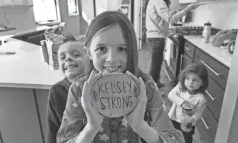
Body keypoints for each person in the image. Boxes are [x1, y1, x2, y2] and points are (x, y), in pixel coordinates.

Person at [56, 11, 185, 143]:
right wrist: (91, 128)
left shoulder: (146, 86)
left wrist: (140, 126)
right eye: (101, 48)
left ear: (132, 51)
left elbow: (176, 139)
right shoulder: (79, 89)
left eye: (122, 49)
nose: (112, 59)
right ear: (89, 52)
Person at [145, 0, 201, 88]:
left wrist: (169, 34)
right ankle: (150, 87)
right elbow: (171, 19)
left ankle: (155, 82)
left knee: (157, 61)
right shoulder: (158, 0)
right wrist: (188, 9)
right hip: (156, 37)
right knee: (156, 62)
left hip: (154, 36)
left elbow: (159, 22)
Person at [46, 34, 86, 143]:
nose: (67, 59)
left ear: (90, 59)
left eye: (76, 55)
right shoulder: (56, 92)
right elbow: (52, 129)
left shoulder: (98, 85)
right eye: (63, 58)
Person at [168, 63, 209, 143]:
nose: (190, 82)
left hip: (187, 124)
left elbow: (198, 113)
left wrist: (192, 119)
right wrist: (182, 102)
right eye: (187, 78)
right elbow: (171, 95)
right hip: (173, 118)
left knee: (186, 139)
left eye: (195, 80)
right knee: (172, 136)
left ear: (202, 83)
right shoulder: (180, 87)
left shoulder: (201, 99)